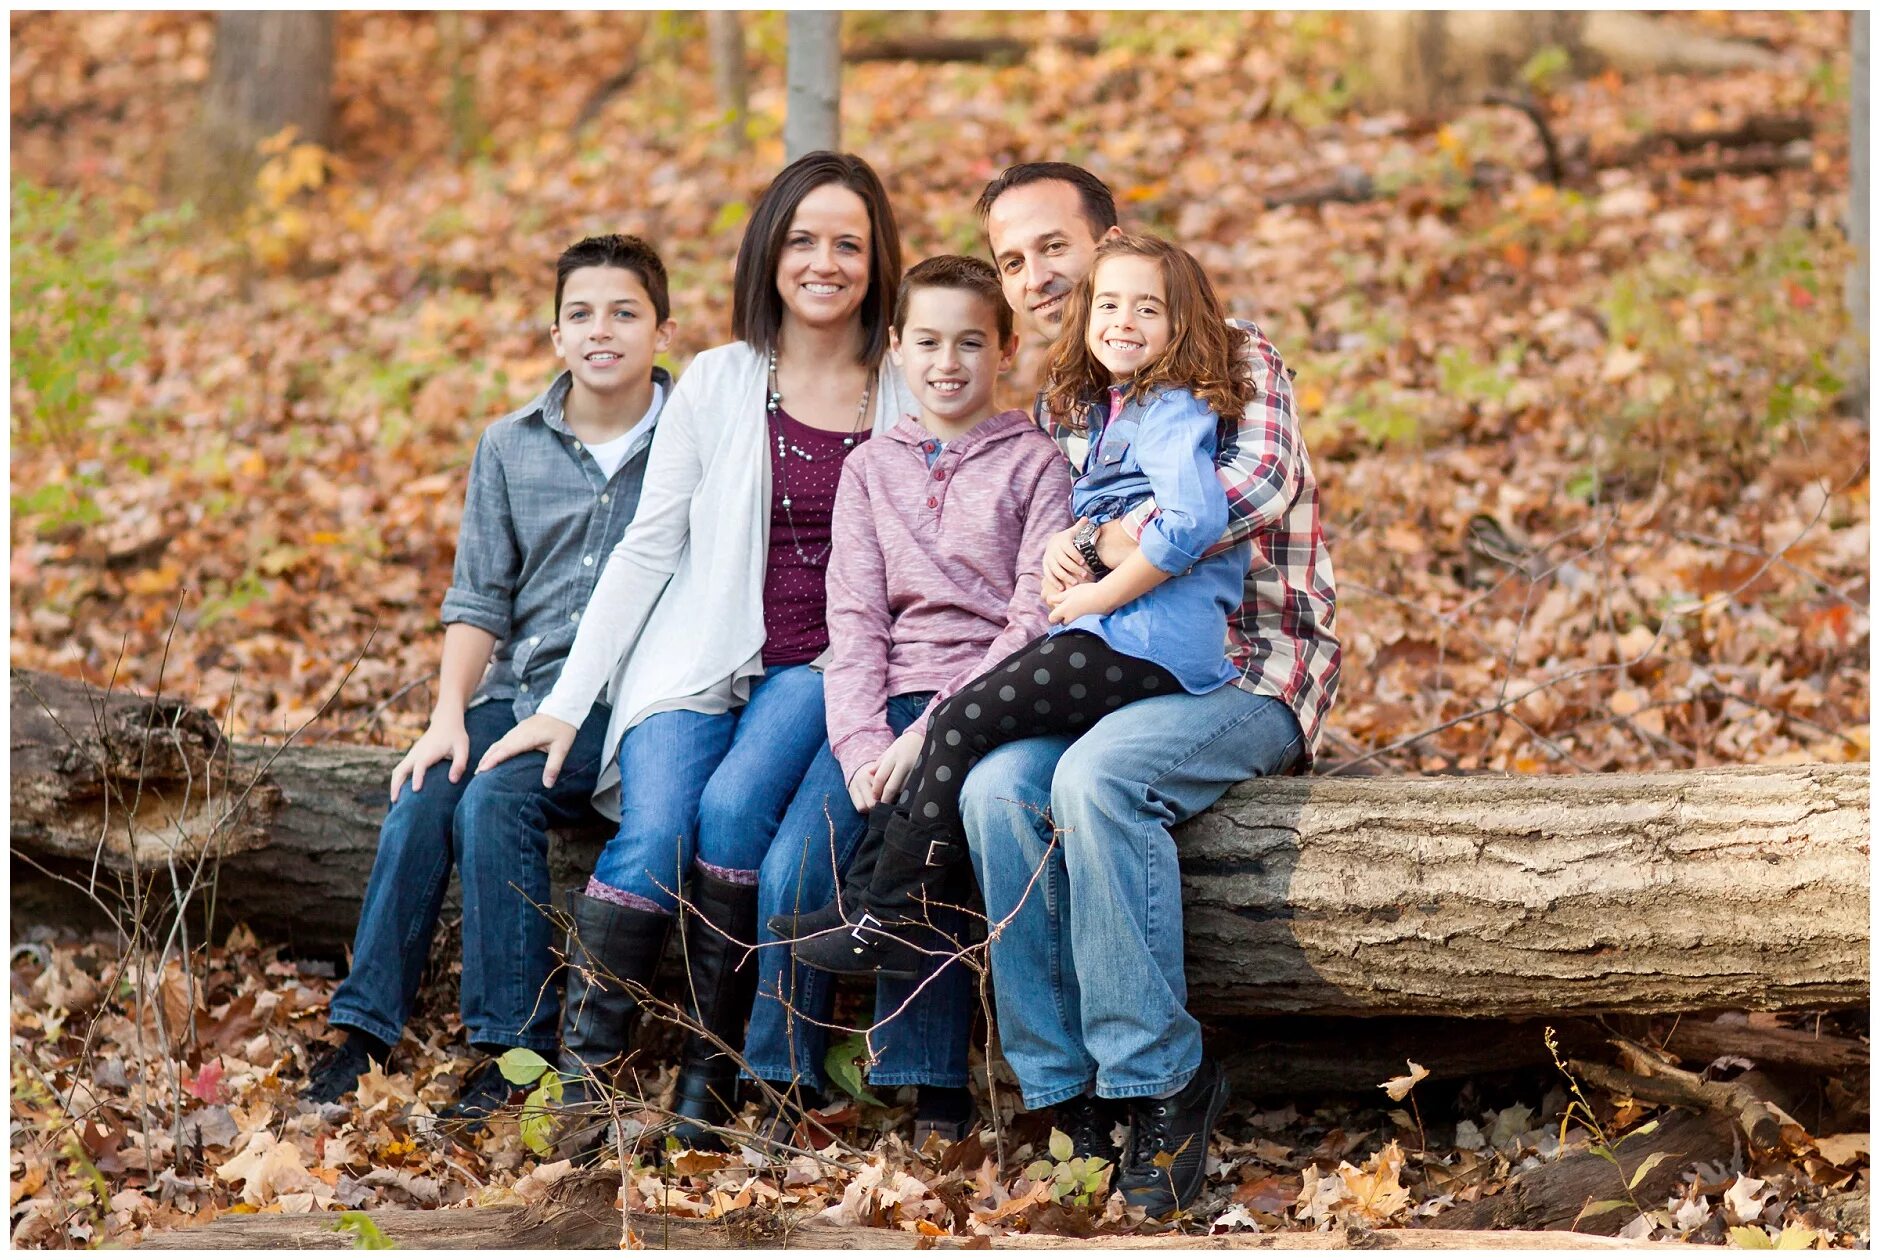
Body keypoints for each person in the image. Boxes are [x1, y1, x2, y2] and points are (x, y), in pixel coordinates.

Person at [475, 151, 936, 1157]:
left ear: (877, 260)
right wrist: (563, 701)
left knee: (730, 821)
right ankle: (585, 1089)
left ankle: (706, 1077)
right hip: (693, 660)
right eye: (803, 239)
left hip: (819, 668)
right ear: (768, 251)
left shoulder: (908, 388)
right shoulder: (724, 382)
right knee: (651, 836)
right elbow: (647, 548)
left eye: (847, 243)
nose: (824, 261)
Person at [961, 163, 1341, 1218]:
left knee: (1094, 782)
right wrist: (1058, 552)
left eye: (1052, 246)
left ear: (1113, 243)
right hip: (1110, 667)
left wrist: (1118, 536)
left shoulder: (1230, 350)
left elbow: (1254, 482)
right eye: (1012, 259)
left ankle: (1160, 1078)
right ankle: (1064, 1092)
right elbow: (1052, 542)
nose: (1036, 275)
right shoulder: (1063, 397)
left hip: (1242, 668)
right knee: (994, 788)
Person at [791, 235, 1243, 986]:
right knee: (961, 723)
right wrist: (1079, 537)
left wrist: (1096, 589)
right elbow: (1126, 510)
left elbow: (1193, 518)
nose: (1124, 321)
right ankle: (877, 910)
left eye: (1147, 308)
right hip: (1117, 634)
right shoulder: (1111, 410)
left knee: (962, 716)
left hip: (1147, 640)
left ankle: (892, 917)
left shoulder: (1170, 408)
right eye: (1108, 305)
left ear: (1180, 327)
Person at [300, 235, 678, 1126]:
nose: (602, 332)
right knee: (432, 785)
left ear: (663, 328)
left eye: (625, 313)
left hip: (624, 705)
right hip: (523, 686)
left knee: (497, 797)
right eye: (580, 315)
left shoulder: (692, 440)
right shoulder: (510, 446)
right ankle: (363, 1030)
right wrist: (446, 715)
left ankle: (515, 1048)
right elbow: (479, 599)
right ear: (554, 335)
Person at [766, 254, 1073, 1141]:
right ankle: (782, 1080)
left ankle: (934, 1091)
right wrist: (862, 745)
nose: (949, 362)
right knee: (797, 862)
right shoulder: (871, 467)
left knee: (928, 868)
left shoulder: (1036, 465)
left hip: (984, 703)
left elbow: (1029, 621)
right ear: (896, 347)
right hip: (880, 705)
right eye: (929, 341)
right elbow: (854, 617)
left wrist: (932, 735)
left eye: (971, 342)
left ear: (1006, 349)